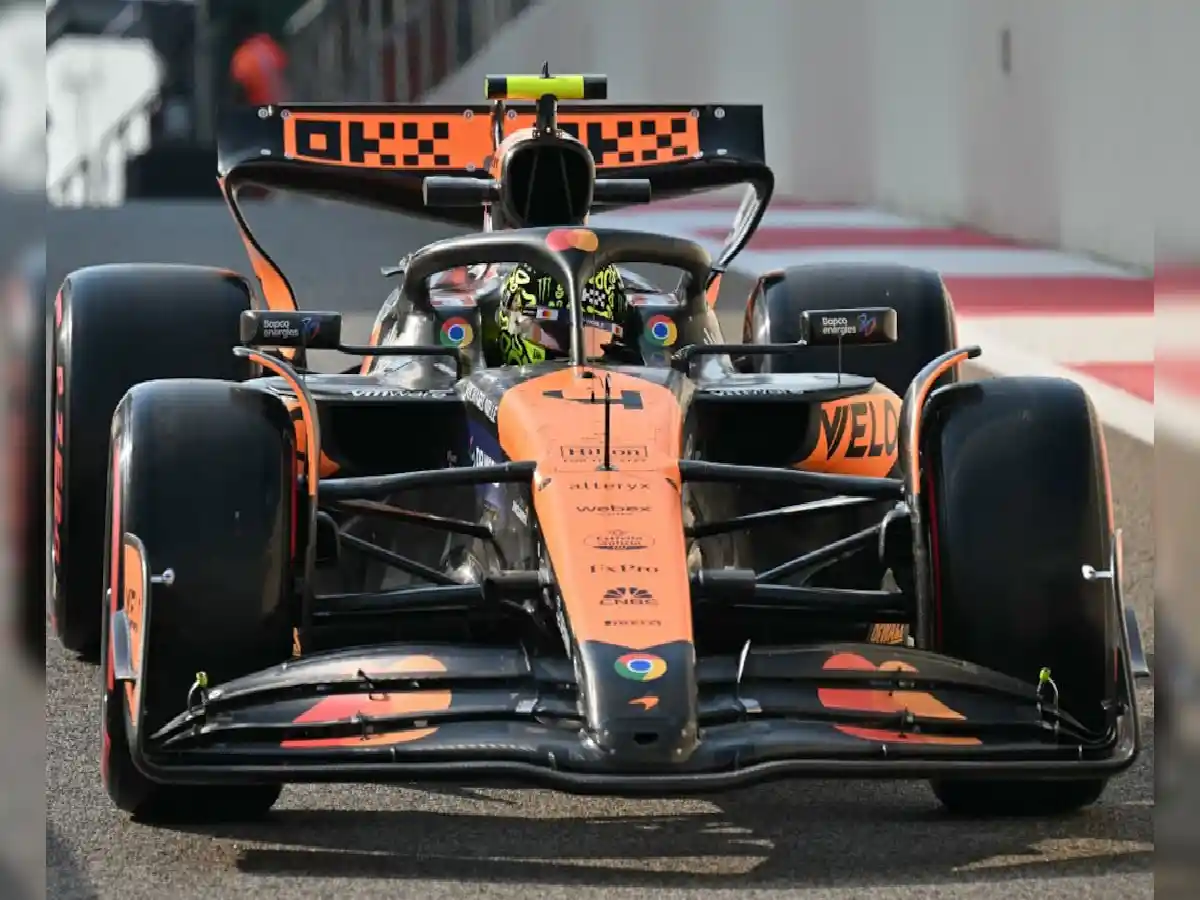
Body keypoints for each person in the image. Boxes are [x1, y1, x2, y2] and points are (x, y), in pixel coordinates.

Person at [228, 12, 290, 106]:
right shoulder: (271, 47)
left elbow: (239, 92)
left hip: (261, 112)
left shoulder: (244, 57)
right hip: (285, 108)